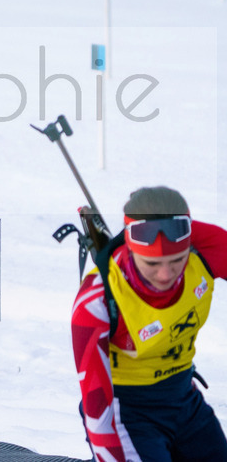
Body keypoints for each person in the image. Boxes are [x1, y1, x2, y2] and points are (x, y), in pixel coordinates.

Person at [71, 186, 227, 461]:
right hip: (127, 413)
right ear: (129, 249)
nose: (165, 274)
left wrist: (163, 216)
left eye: (177, 260)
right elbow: (97, 405)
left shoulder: (206, 252)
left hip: (183, 398)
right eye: (151, 263)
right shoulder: (97, 299)